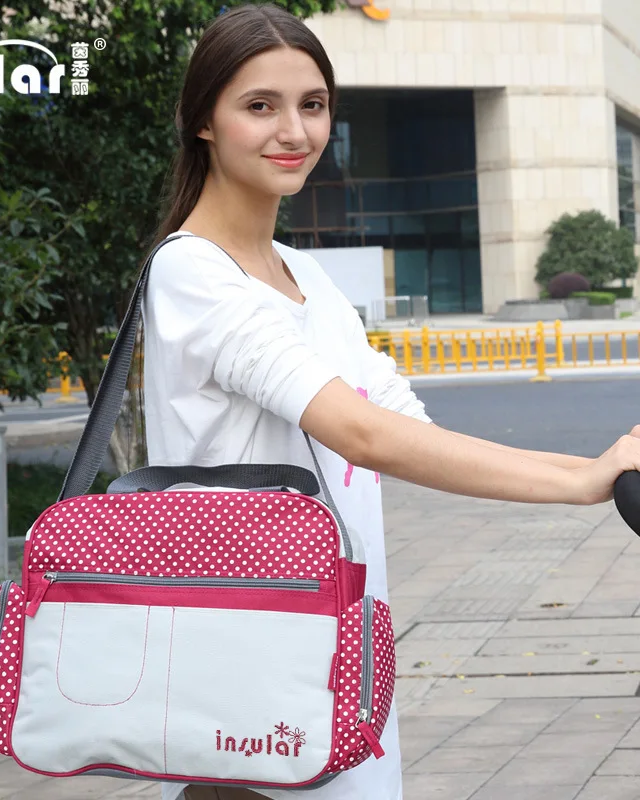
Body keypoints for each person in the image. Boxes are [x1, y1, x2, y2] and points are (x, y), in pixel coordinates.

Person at [139, 5, 640, 800]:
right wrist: (580, 482)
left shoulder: (309, 278)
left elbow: (405, 429)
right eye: (260, 105)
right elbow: (360, 433)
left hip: (337, 646)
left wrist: (598, 466)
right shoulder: (191, 273)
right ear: (203, 120)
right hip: (243, 660)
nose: (294, 131)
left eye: (313, 105)